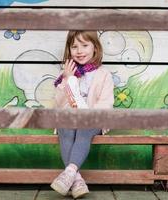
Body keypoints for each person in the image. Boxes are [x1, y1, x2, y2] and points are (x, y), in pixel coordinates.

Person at [51, 30, 114, 198]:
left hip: (93, 120)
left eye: (85, 45)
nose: (79, 51)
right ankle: (76, 179)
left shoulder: (104, 75)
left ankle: (69, 171)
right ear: (69, 50)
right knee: (66, 127)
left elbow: (106, 103)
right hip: (70, 119)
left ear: (95, 48)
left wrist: (88, 115)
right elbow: (58, 103)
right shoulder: (67, 73)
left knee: (84, 129)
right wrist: (67, 79)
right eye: (74, 47)